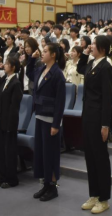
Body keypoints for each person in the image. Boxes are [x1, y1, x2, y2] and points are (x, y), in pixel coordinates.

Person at [77, 35, 112, 214]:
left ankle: (104, 198)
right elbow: (80, 68)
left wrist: (105, 125)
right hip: (87, 115)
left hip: (98, 118)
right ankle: (94, 194)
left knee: (100, 158)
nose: (91, 46)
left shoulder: (106, 67)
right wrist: (84, 54)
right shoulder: (92, 63)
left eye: (94, 44)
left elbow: (107, 98)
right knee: (90, 157)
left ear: (103, 48)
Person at [26, 43, 67, 201]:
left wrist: (56, 124)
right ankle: (45, 184)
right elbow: (29, 73)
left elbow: (60, 102)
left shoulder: (57, 74)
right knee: (42, 153)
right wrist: (31, 59)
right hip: (39, 116)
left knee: (51, 154)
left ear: (53, 55)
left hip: (51, 120)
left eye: (44, 51)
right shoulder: (41, 70)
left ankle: (53, 187)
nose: (41, 53)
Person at [0, 55, 23, 189]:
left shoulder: (16, 83)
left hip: (10, 122)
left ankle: (11, 178)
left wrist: (10, 124)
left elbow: (14, 107)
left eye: (7, 64)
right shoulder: (5, 80)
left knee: (9, 151)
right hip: (2, 120)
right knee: (1, 150)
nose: (4, 65)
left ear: (13, 67)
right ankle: (2, 176)